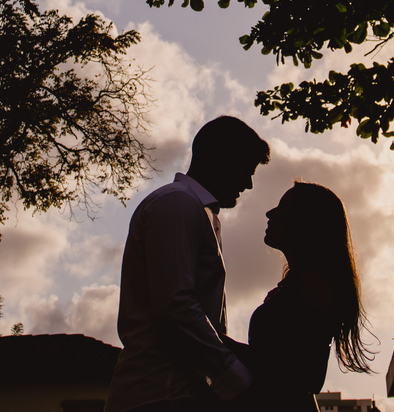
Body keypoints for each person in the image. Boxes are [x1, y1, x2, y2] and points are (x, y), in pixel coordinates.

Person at [106, 116, 271, 412]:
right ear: (219, 156)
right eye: (245, 170)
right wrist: (237, 378)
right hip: (157, 396)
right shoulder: (178, 205)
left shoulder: (195, 211)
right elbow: (175, 306)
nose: (247, 184)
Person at [223, 181, 373, 412]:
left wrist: (221, 344)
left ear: (307, 221)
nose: (270, 213)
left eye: (284, 206)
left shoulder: (315, 287)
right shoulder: (301, 285)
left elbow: (306, 375)